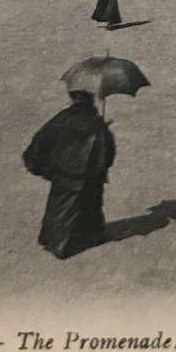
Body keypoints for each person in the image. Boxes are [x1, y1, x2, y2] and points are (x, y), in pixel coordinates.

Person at [22, 91, 116, 259]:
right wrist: (105, 131)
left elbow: (41, 141)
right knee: (90, 208)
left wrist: (41, 167)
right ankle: (87, 239)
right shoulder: (97, 123)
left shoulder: (63, 118)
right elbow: (108, 155)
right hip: (89, 178)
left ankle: (54, 241)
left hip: (64, 175)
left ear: (73, 98)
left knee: (59, 210)